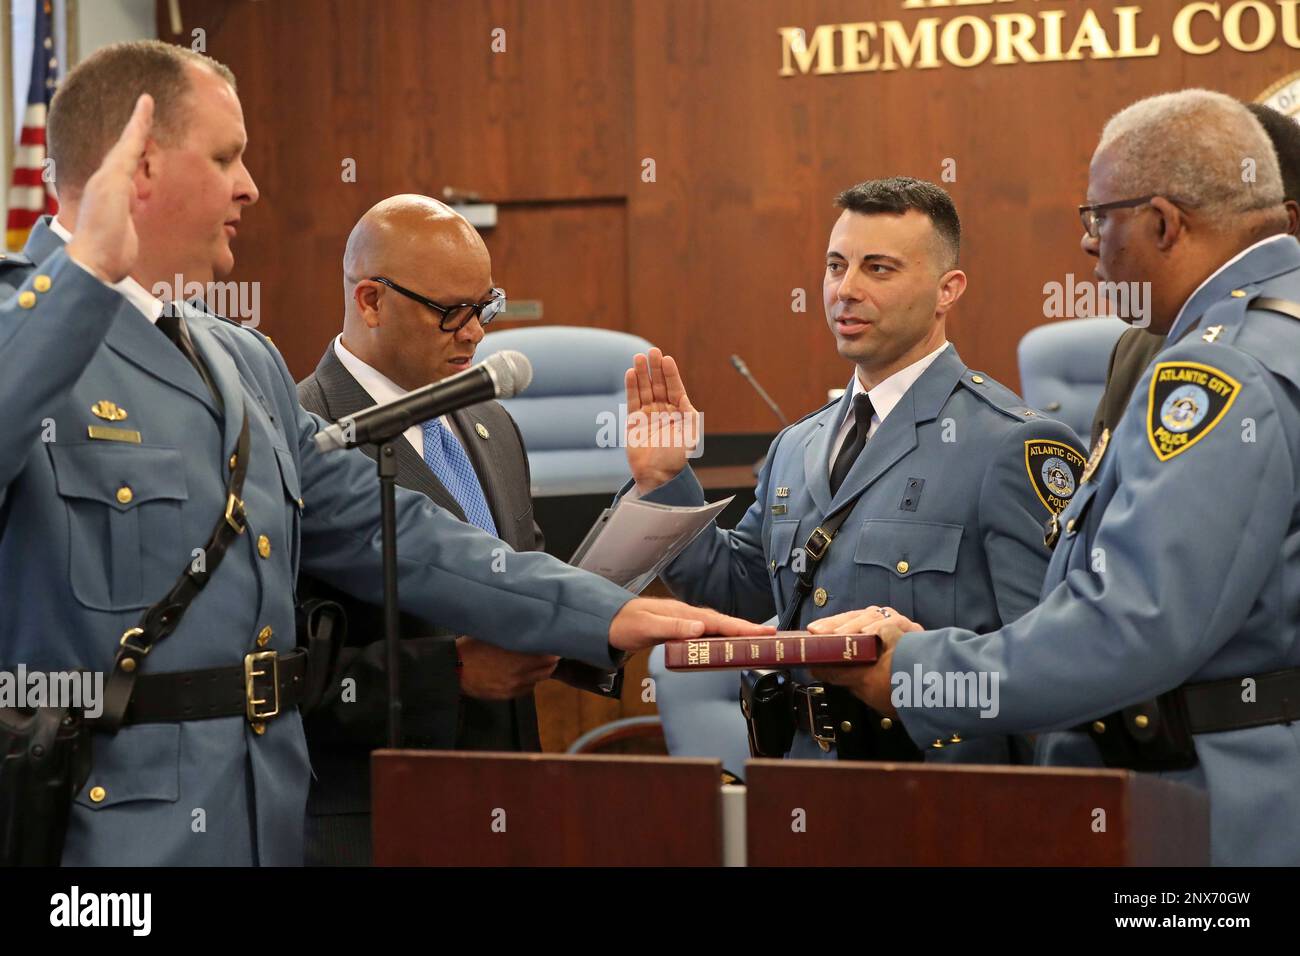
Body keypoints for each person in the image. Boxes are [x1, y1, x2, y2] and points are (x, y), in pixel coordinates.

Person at [1, 39, 762, 866]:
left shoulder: (242, 362)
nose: (250, 185)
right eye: (225, 157)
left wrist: (599, 611)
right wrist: (82, 278)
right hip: (105, 835)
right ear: (136, 165)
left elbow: (392, 528)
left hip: (262, 815)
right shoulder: (28, 330)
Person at [808, 90, 1300, 866]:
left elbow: (1133, 624)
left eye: (1097, 219)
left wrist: (921, 674)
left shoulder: (1215, 368)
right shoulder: (1281, 326)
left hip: (1210, 814)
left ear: (1165, 223)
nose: (1086, 249)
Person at [625, 177, 1085, 765]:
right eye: (836, 266)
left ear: (948, 290)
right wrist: (665, 483)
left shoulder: (1012, 444)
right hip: (800, 775)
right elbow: (742, 595)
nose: (846, 290)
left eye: (879, 269)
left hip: (939, 790)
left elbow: (1051, 659)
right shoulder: (798, 442)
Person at [296, 195, 556, 865]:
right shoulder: (297, 436)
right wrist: (454, 673)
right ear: (371, 301)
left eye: (485, 307)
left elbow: (525, 574)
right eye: (450, 312)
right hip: (379, 823)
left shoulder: (491, 423)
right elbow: (284, 674)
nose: (474, 334)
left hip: (514, 805)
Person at [1090, 102, 1300, 447]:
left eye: (1104, 218)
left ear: (1283, 223)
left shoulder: (1252, 346)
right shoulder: (1138, 346)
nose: (1090, 240)